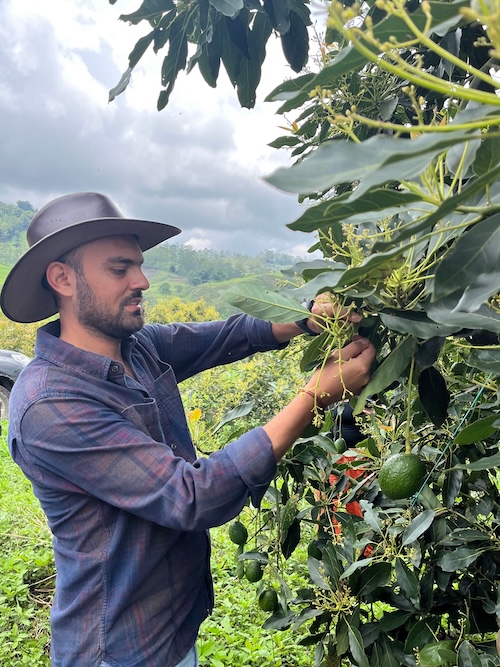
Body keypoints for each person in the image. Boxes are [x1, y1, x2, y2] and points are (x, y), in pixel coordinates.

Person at [0, 192, 376, 667]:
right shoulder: (50, 405)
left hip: (171, 630)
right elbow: (192, 495)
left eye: (138, 266)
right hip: (118, 652)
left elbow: (229, 335)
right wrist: (313, 396)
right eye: (119, 269)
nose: (142, 281)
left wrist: (304, 318)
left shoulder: (136, 347)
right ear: (63, 279)